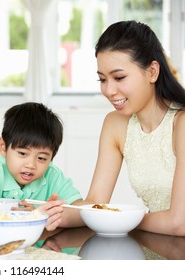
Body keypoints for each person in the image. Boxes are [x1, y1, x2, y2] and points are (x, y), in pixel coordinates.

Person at [85, 20, 185, 236]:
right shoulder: (115, 124)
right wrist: (50, 212)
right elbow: (95, 202)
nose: (109, 90)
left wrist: (123, 220)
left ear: (152, 72)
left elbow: (180, 221)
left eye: (119, 77)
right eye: (102, 79)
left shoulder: (182, 123)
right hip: (159, 242)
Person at [0, 102, 83, 230]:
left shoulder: (53, 175)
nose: (31, 165)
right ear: (3, 147)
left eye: (42, 158)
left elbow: (81, 211)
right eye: (22, 153)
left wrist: (48, 215)